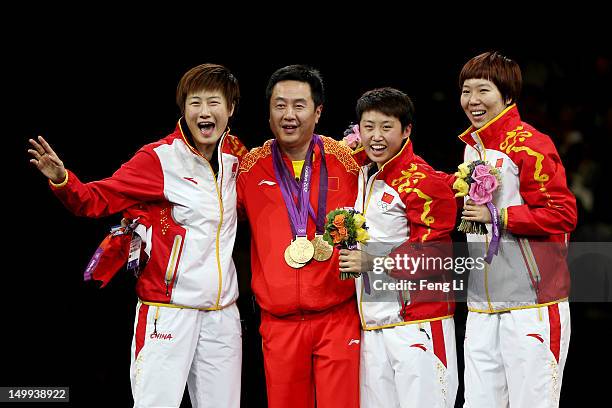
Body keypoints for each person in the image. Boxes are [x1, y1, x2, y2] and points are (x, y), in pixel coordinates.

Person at [27, 63, 247, 408]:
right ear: (184, 108)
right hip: (168, 310)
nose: (204, 112)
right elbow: (94, 200)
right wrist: (63, 180)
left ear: (231, 108)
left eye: (214, 103)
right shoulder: (159, 158)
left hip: (222, 314)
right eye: (195, 103)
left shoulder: (237, 156)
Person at [455, 52, 577, 407]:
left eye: (483, 90)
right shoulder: (472, 150)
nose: (472, 101)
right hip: (481, 308)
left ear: (507, 95)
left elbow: (562, 213)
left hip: (532, 305)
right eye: (466, 91)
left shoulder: (531, 144)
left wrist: (501, 216)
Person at [237, 65, 361, 408]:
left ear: (317, 112)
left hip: (338, 317)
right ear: (268, 111)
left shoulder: (348, 163)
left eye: (298, 105)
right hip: (279, 324)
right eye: (279, 105)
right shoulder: (250, 169)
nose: (288, 115)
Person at [338, 87, 459, 407]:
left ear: (406, 130)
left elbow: (437, 257)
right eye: (368, 127)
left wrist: (373, 261)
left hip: (416, 325)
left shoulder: (422, 180)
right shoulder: (362, 175)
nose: (376, 136)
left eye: (386, 127)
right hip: (372, 326)